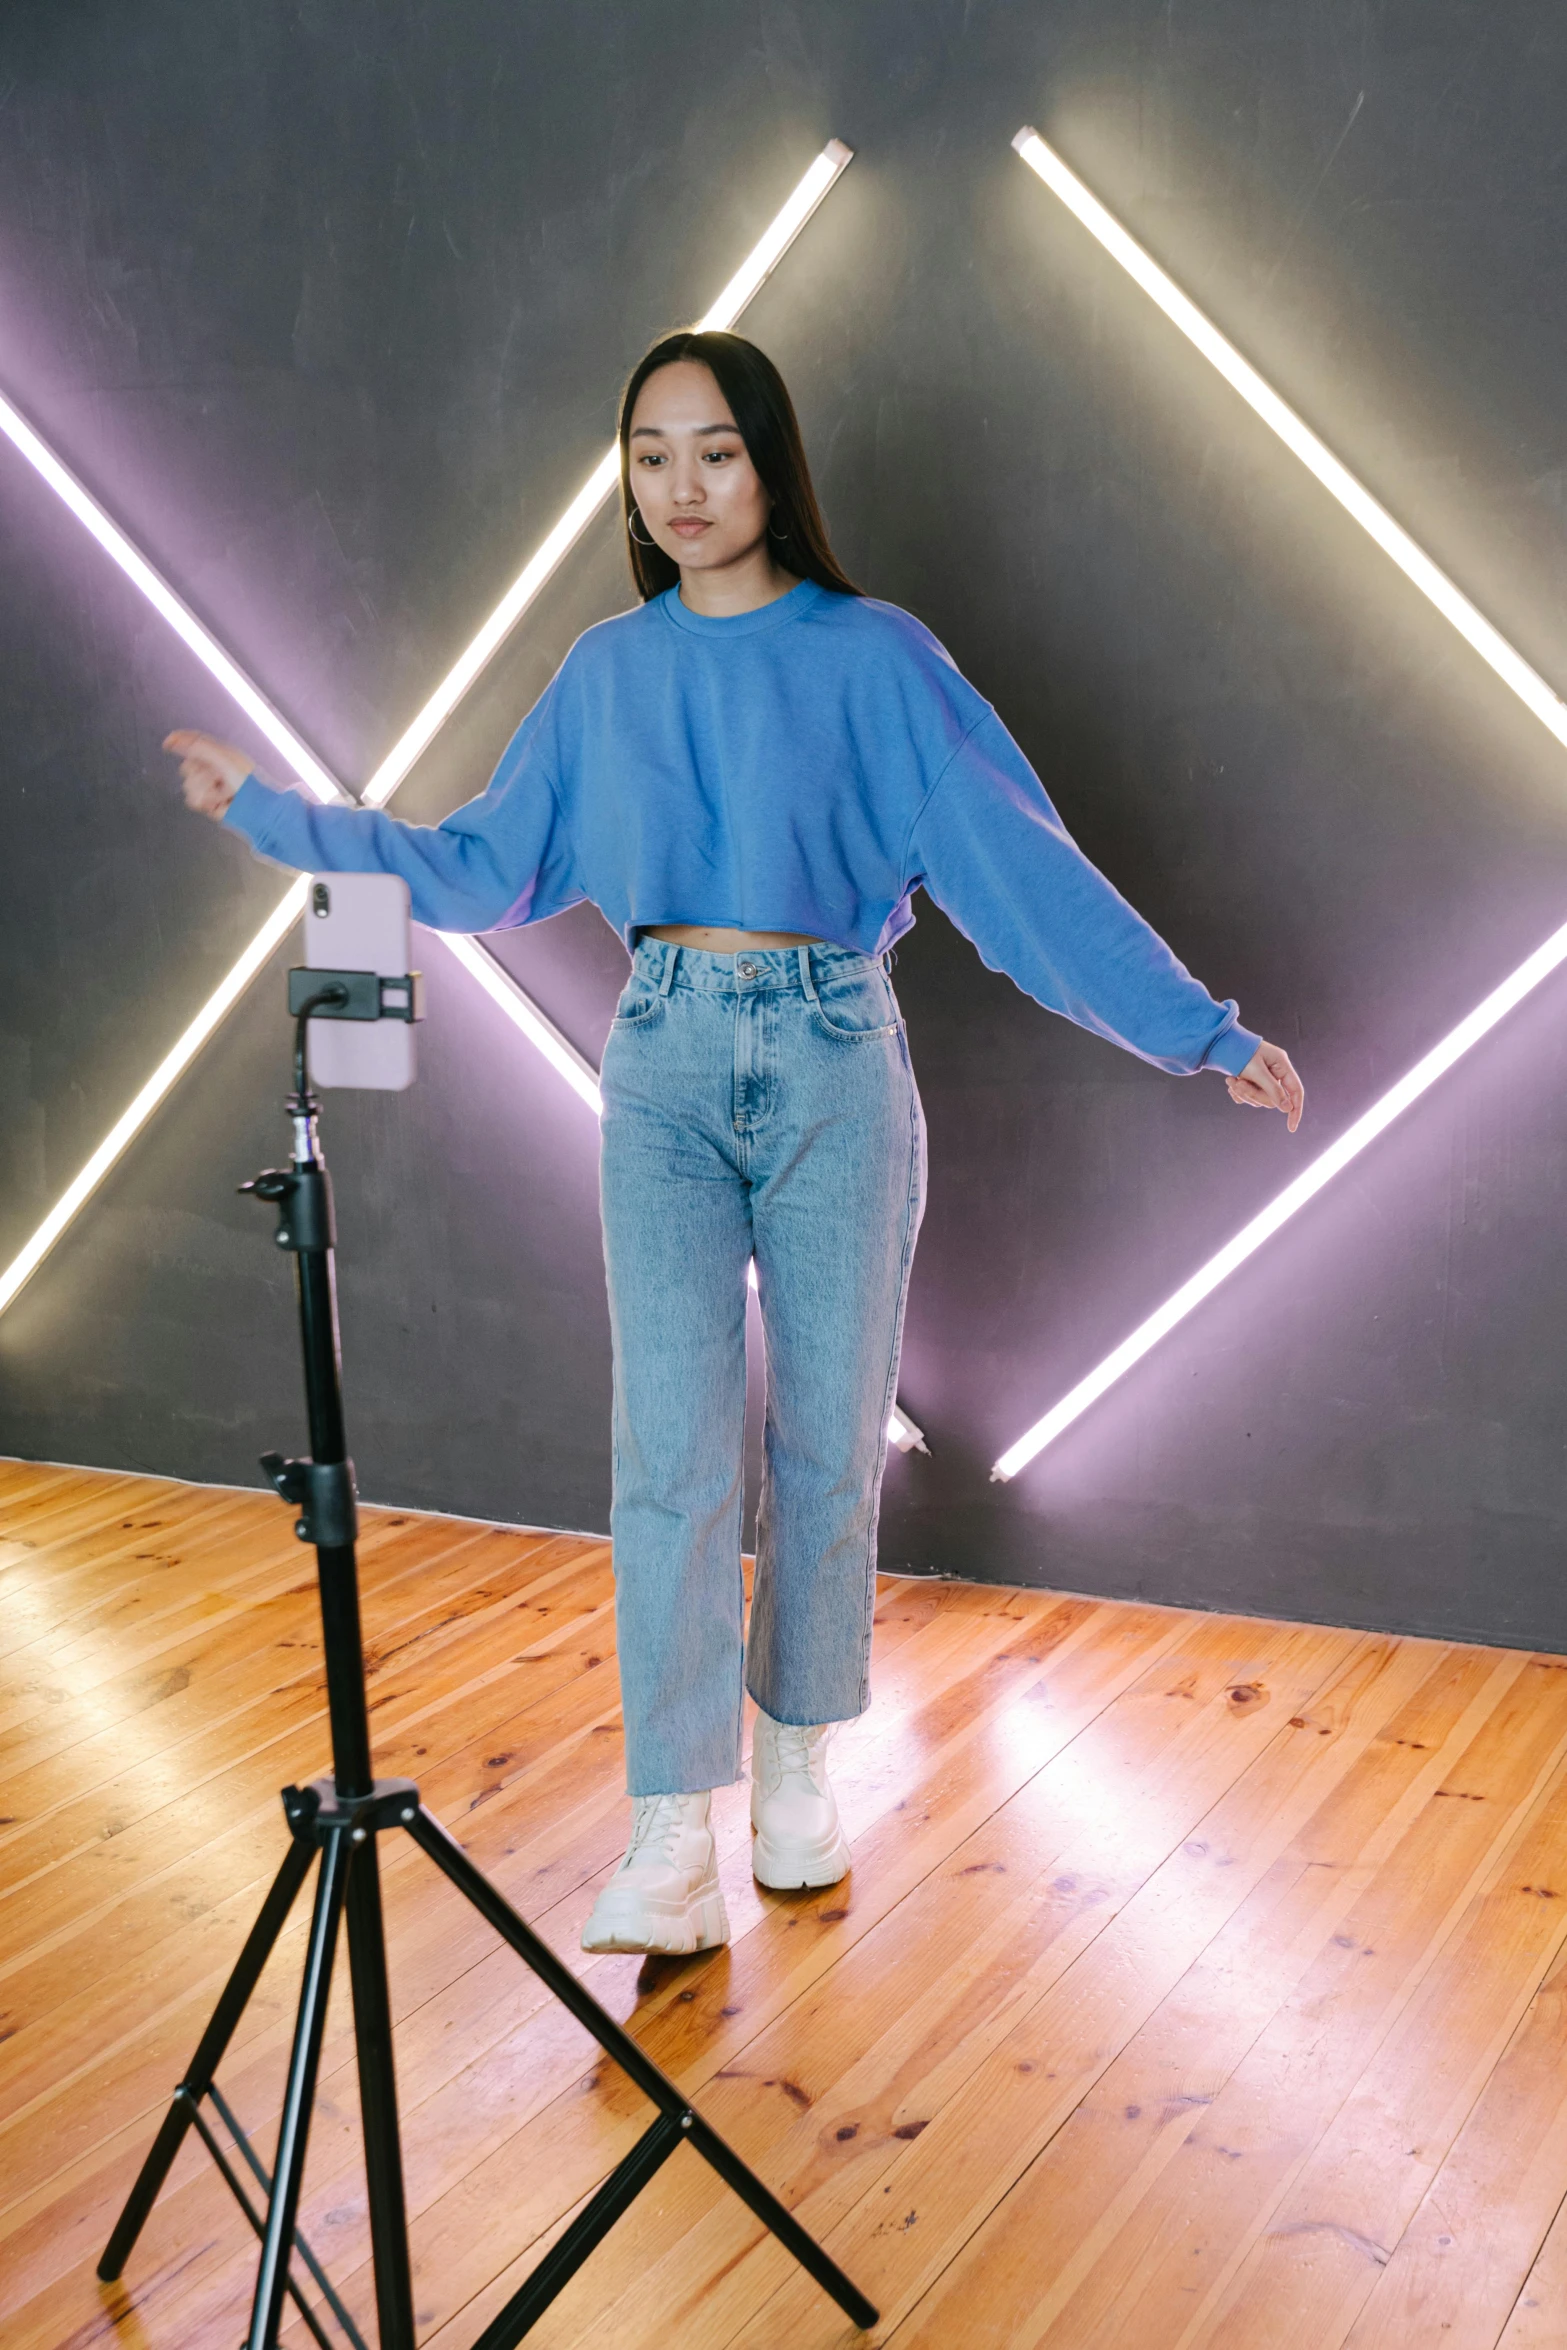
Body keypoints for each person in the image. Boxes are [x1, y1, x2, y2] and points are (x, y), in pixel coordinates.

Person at [170, 328, 1304, 1959]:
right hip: (664, 1057)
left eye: (714, 449)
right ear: (624, 478)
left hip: (839, 1048)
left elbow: (1021, 875)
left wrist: (1198, 1029)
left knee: (830, 1443)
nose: (682, 485)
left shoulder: (879, 659)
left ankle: (793, 1767)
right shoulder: (604, 674)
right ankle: (664, 1835)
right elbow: (480, 866)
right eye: (649, 455)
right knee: (672, 1455)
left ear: (770, 461)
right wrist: (274, 813)